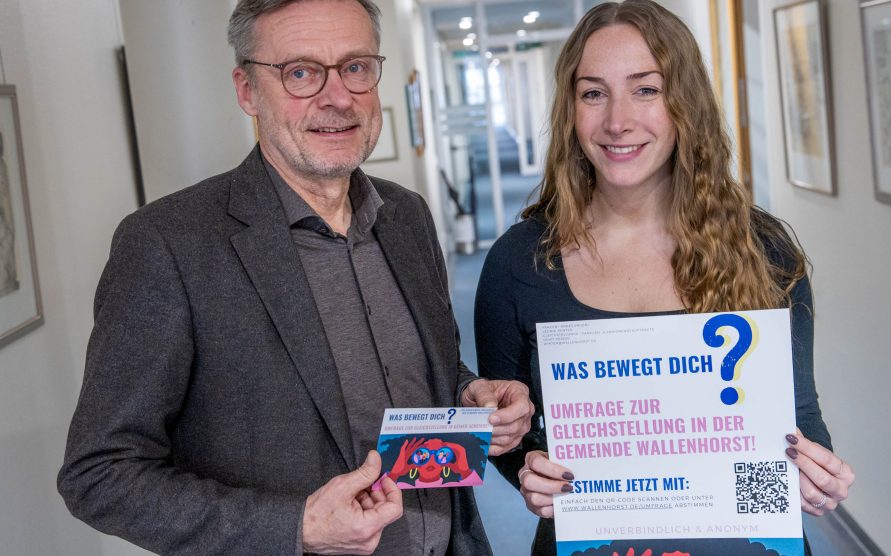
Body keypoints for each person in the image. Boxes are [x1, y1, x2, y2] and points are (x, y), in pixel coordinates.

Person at [57, 0, 534, 554]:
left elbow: (420, 372)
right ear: (246, 90)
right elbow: (99, 475)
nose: (337, 97)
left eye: (355, 67)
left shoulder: (406, 217)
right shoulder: (168, 243)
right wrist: (296, 526)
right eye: (300, 73)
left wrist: (468, 395)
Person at [473, 1, 855, 554]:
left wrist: (815, 476)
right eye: (593, 92)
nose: (617, 121)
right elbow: (507, 433)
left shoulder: (762, 250)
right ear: (571, 108)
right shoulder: (521, 262)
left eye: (646, 89)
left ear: (685, 103)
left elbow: (798, 416)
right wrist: (527, 470)